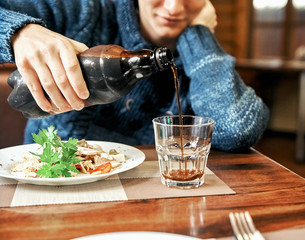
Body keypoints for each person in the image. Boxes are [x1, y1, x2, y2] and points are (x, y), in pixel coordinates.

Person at [0, 0, 269, 152]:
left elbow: (236, 130)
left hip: (155, 198)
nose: (174, 8)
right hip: (58, 190)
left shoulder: (200, 51)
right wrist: (21, 32)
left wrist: (199, 36)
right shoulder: (88, 11)